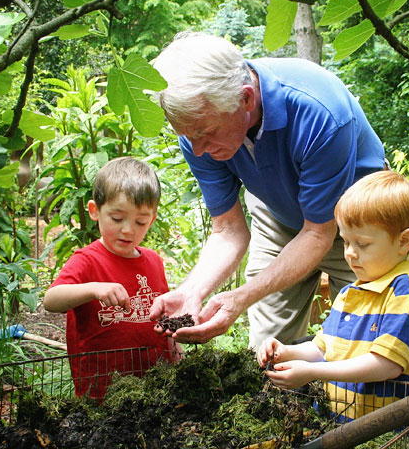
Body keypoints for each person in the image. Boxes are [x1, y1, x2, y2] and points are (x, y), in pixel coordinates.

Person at [149, 31, 387, 348]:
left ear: (246, 99)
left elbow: (318, 233)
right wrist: (192, 290)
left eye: (206, 134)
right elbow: (228, 229)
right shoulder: (200, 127)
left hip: (359, 222)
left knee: (363, 348)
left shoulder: (319, 112)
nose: (198, 149)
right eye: (189, 136)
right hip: (280, 215)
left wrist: (241, 297)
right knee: (269, 350)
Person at [256, 170, 409, 421]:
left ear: (403, 242)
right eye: (346, 242)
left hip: (380, 431)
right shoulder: (349, 293)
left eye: (363, 244)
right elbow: (322, 349)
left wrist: (313, 372)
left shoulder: (403, 291)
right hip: (334, 425)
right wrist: (286, 352)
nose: (350, 253)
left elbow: (385, 365)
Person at [43, 156, 180, 400]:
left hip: (155, 384)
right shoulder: (86, 260)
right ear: (95, 211)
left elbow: (164, 314)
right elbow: (51, 300)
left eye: (140, 221)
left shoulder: (154, 261)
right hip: (101, 390)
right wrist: (93, 289)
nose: (128, 229)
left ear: (152, 219)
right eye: (117, 219)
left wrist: (177, 351)